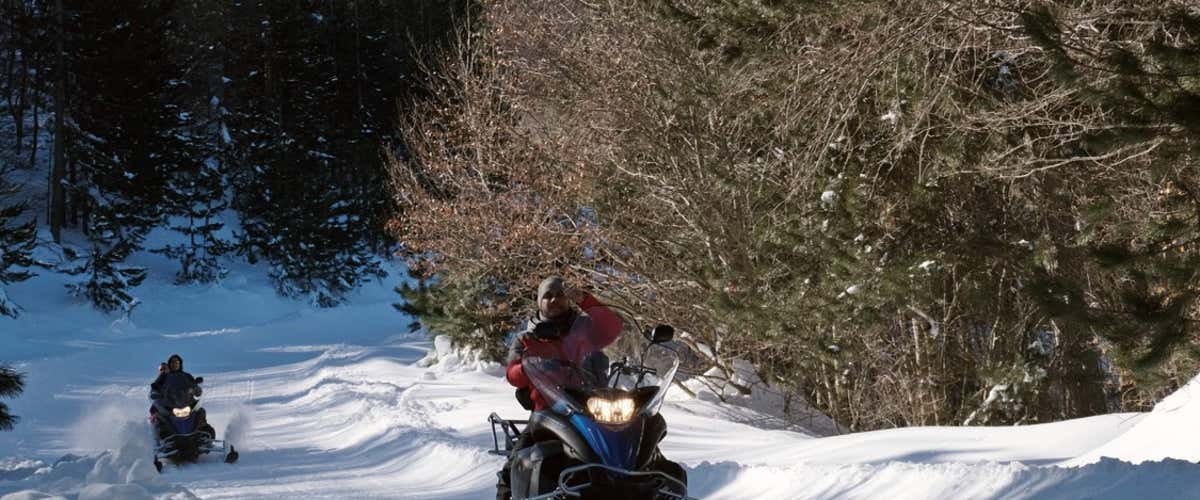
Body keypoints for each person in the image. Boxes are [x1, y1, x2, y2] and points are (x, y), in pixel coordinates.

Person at [496, 276, 623, 500]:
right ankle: (506, 494)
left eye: (560, 294)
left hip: (592, 406)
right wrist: (526, 365)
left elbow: (612, 328)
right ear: (539, 302)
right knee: (517, 459)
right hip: (548, 410)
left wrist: (585, 299)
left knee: (628, 440)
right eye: (548, 295)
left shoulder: (584, 328)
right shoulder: (526, 338)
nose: (555, 299)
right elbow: (512, 374)